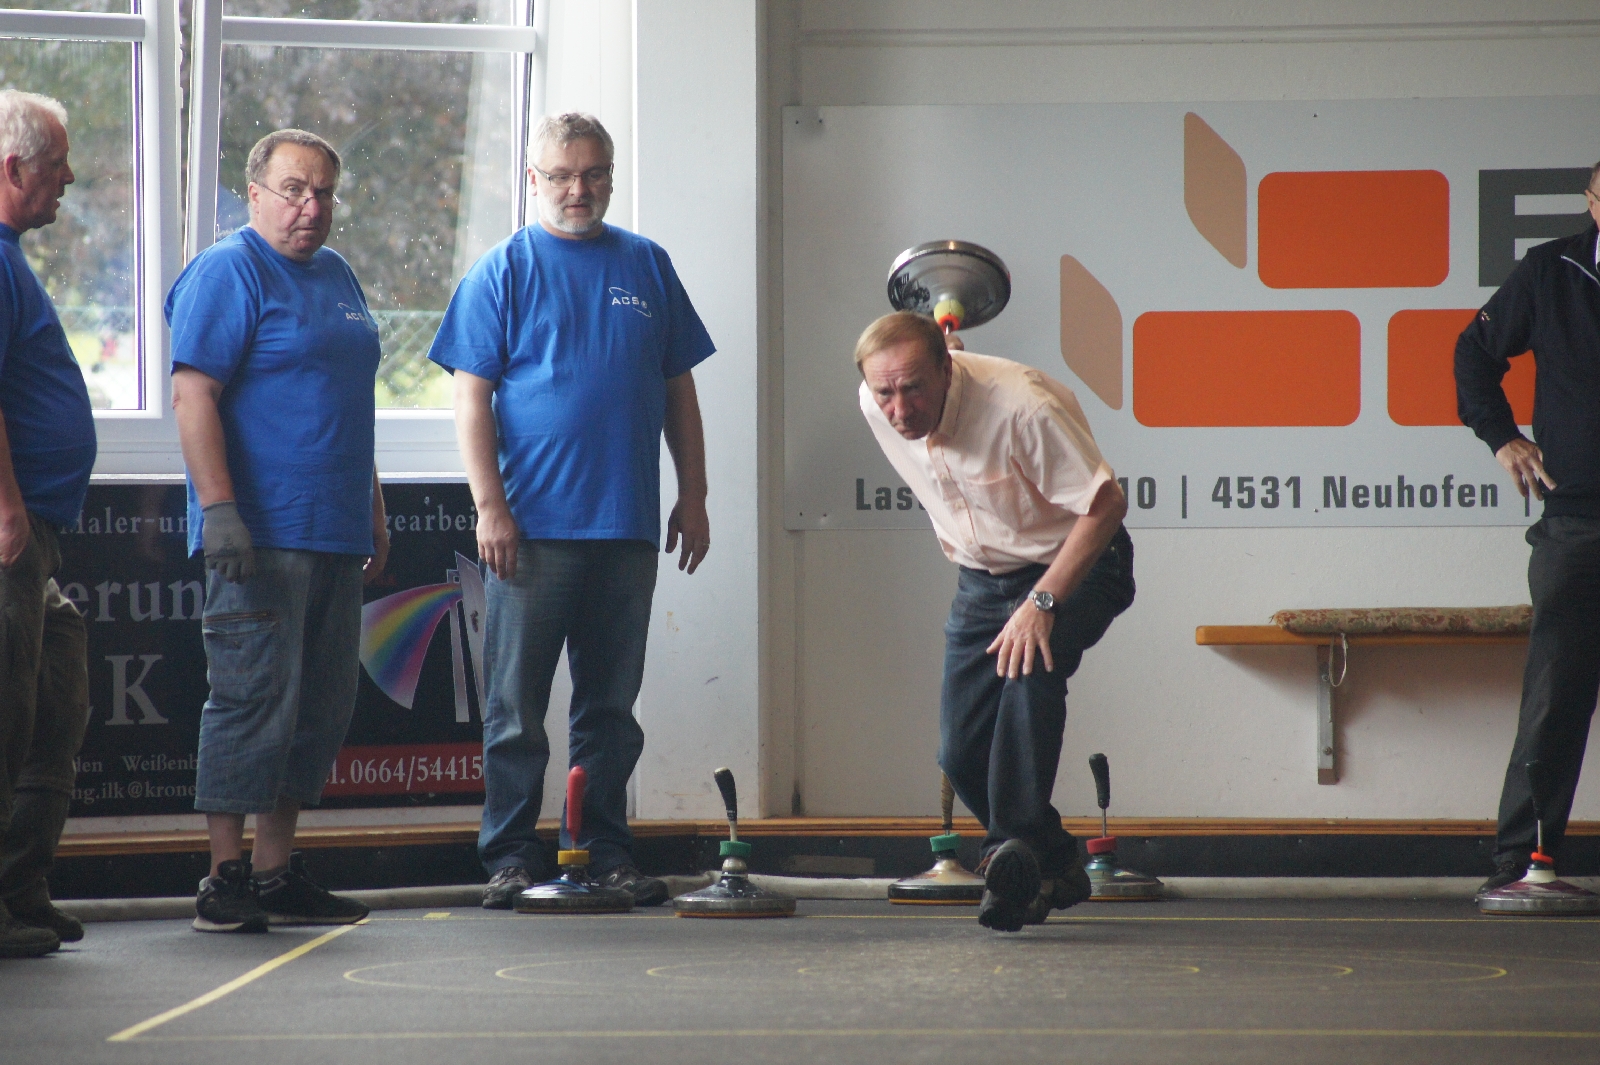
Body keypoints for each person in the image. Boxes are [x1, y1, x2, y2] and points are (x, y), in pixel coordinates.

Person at [428, 113, 714, 909]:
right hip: (531, 532)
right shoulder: (503, 270)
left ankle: (604, 851)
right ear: (533, 180)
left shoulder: (647, 264)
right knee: (516, 710)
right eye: (560, 175)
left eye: (592, 173)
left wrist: (693, 494)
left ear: (610, 176)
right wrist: (490, 506)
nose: (577, 189)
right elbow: (471, 398)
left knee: (610, 711)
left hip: (626, 526)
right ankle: (510, 856)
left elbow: (679, 390)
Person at [168, 128, 389, 933]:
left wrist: (373, 511)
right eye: (294, 189)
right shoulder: (228, 270)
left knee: (318, 708)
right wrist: (220, 509)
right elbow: (192, 394)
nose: (311, 206)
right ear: (254, 194)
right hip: (260, 534)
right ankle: (222, 877)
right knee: (251, 698)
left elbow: (347, 402)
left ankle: (273, 872)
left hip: (335, 528)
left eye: (324, 191)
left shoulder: (337, 276)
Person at [856, 311, 1134, 931]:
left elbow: (1106, 504)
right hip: (983, 580)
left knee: (1029, 677)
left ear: (947, 369)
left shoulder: (1021, 408)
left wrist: (1043, 604)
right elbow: (903, 385)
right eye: (886, 392)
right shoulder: (878, 399)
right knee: (960, 753)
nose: (899, 409)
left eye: (914, 388)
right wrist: (915, 378)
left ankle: (1009, 865)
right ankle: (1053, 861)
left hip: (1078, 562)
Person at [1456, 161, 1600, 898]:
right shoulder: (1550, 272)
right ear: (1593, 202)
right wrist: (1502, 437)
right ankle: (1520, 866)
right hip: (1577, 524)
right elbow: (1473, 353)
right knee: (1554, 701)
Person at [0, 90, 95, 958]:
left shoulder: (11, 259)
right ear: (12, 168)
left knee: (56, 697)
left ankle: (19, 888)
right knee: (5, 710)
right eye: (56, 163)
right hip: (11, 533)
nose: (68, 177)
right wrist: (5, 505)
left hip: (36, 539)